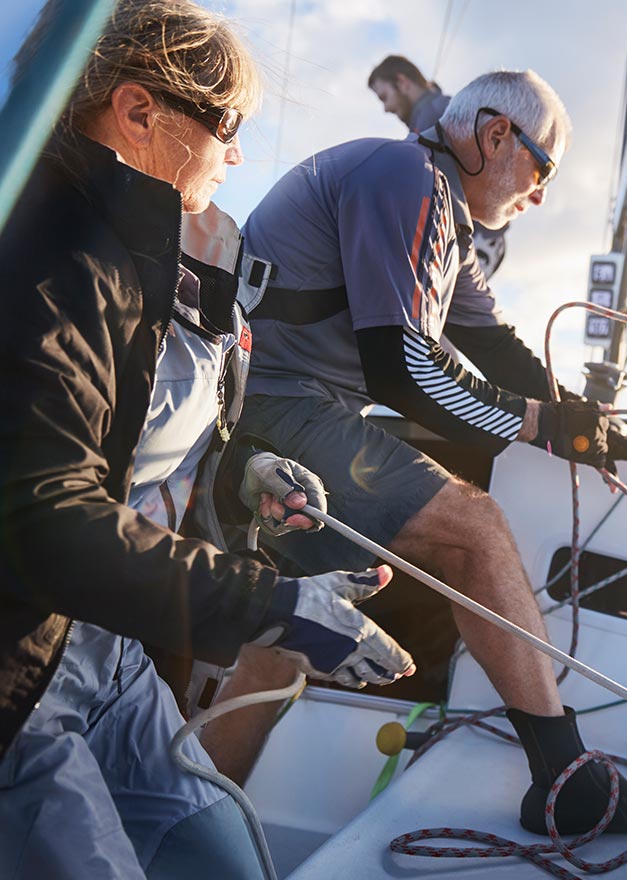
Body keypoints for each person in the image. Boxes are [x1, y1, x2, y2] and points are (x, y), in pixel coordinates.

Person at [0, 2, 412, 876]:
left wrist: (236, 473)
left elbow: (113, 439)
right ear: (139, 110)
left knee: (226, 861)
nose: (235, 155)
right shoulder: (42, 257)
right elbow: (45, 517)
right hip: (16, 681)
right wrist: (278, 606)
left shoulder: (132, 248)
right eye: (227, 127)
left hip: (101, 651)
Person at [211, 69, 627, 837]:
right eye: (542, 168)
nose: (539, 194)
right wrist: (541, 426)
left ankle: (178, 821)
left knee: (284, 647)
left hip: (281, 412)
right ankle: (567, 782)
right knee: (475, 528)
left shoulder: (442, 218)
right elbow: (405, 366)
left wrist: (594, 430)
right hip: (273, 409)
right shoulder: (404, 176)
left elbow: (495, 347)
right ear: (496, 135)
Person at [368, 54, 507, 279]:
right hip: (475, 238)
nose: (386, 108)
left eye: (385, 96)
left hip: (472, 238)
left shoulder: (437, 114)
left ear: (403, 83)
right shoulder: (436, 113)